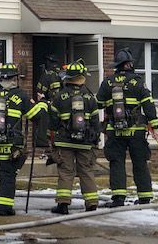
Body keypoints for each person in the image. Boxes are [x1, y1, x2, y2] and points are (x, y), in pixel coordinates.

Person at [0, 63, 48, 216]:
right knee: (7, 176)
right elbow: (36, 117)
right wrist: (42, 104)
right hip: (10, 147)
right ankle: (4, 207)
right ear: (14, 79)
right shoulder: (21, 96)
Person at [97, 48, 158, 207]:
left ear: (117, 65)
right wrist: (154, 125)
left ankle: (118, 198)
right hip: (137, 130)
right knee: (140, 162)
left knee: (116, 162)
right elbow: (148, 104)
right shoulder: (138, 81)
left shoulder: (108, 82)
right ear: (130, 64)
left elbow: (98, 103)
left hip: (115, 131)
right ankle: (145, 197)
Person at [48, 59, 100, 215]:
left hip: (65, 142)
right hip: (85, 142)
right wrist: (95, 141)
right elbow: (96, 122)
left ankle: (63, 204)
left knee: (66, 172)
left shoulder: (59, 96)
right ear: (82, 77)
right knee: (86, 171)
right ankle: (91, 203)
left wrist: (53, 140)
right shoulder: (90, 97)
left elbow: (53, 122)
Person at [35, 54, 62, 147]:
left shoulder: (47, 75)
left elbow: (40, 92)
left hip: (51, 106)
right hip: (63, 105)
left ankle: (51, 148)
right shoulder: (62, 74)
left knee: (50, 128)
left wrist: (42, 100)